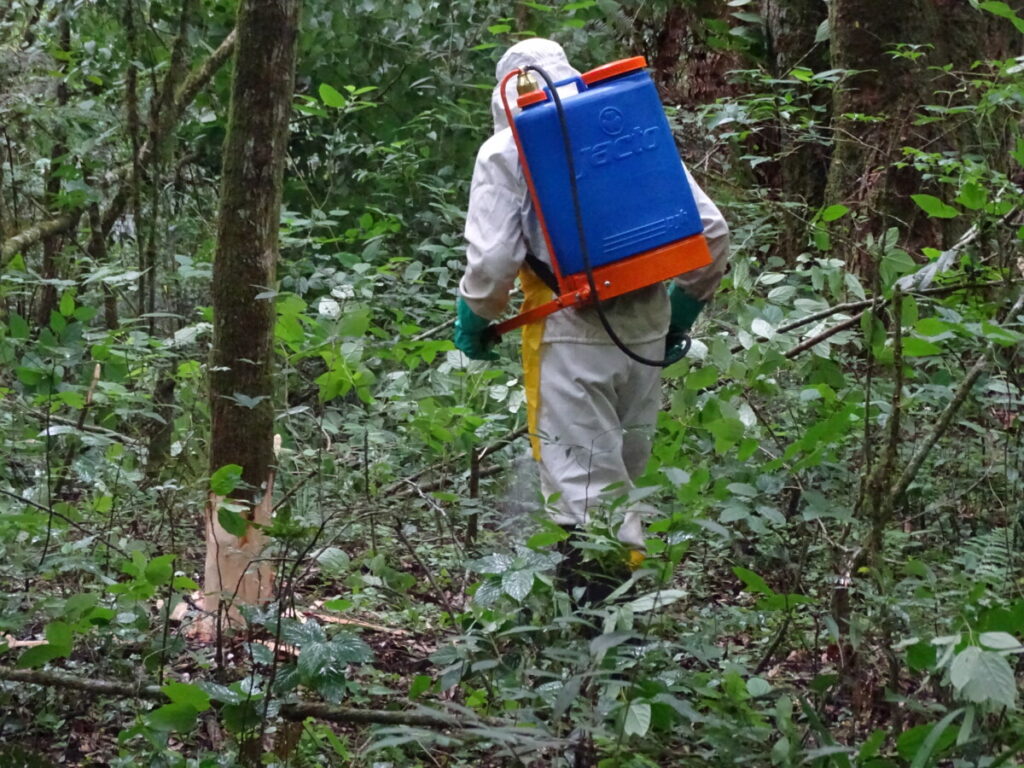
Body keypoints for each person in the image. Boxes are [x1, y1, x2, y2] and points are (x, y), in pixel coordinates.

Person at [455, 38, 730, 595]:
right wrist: (681, 314)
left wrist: (475, 316)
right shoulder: (625, 125)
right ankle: (613, 616)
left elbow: (492, 261)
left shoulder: (507, 148)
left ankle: (603, 631)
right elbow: (712, 232)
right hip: (647, 331)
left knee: (583, 491)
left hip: (569, 331)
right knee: (623, 475)